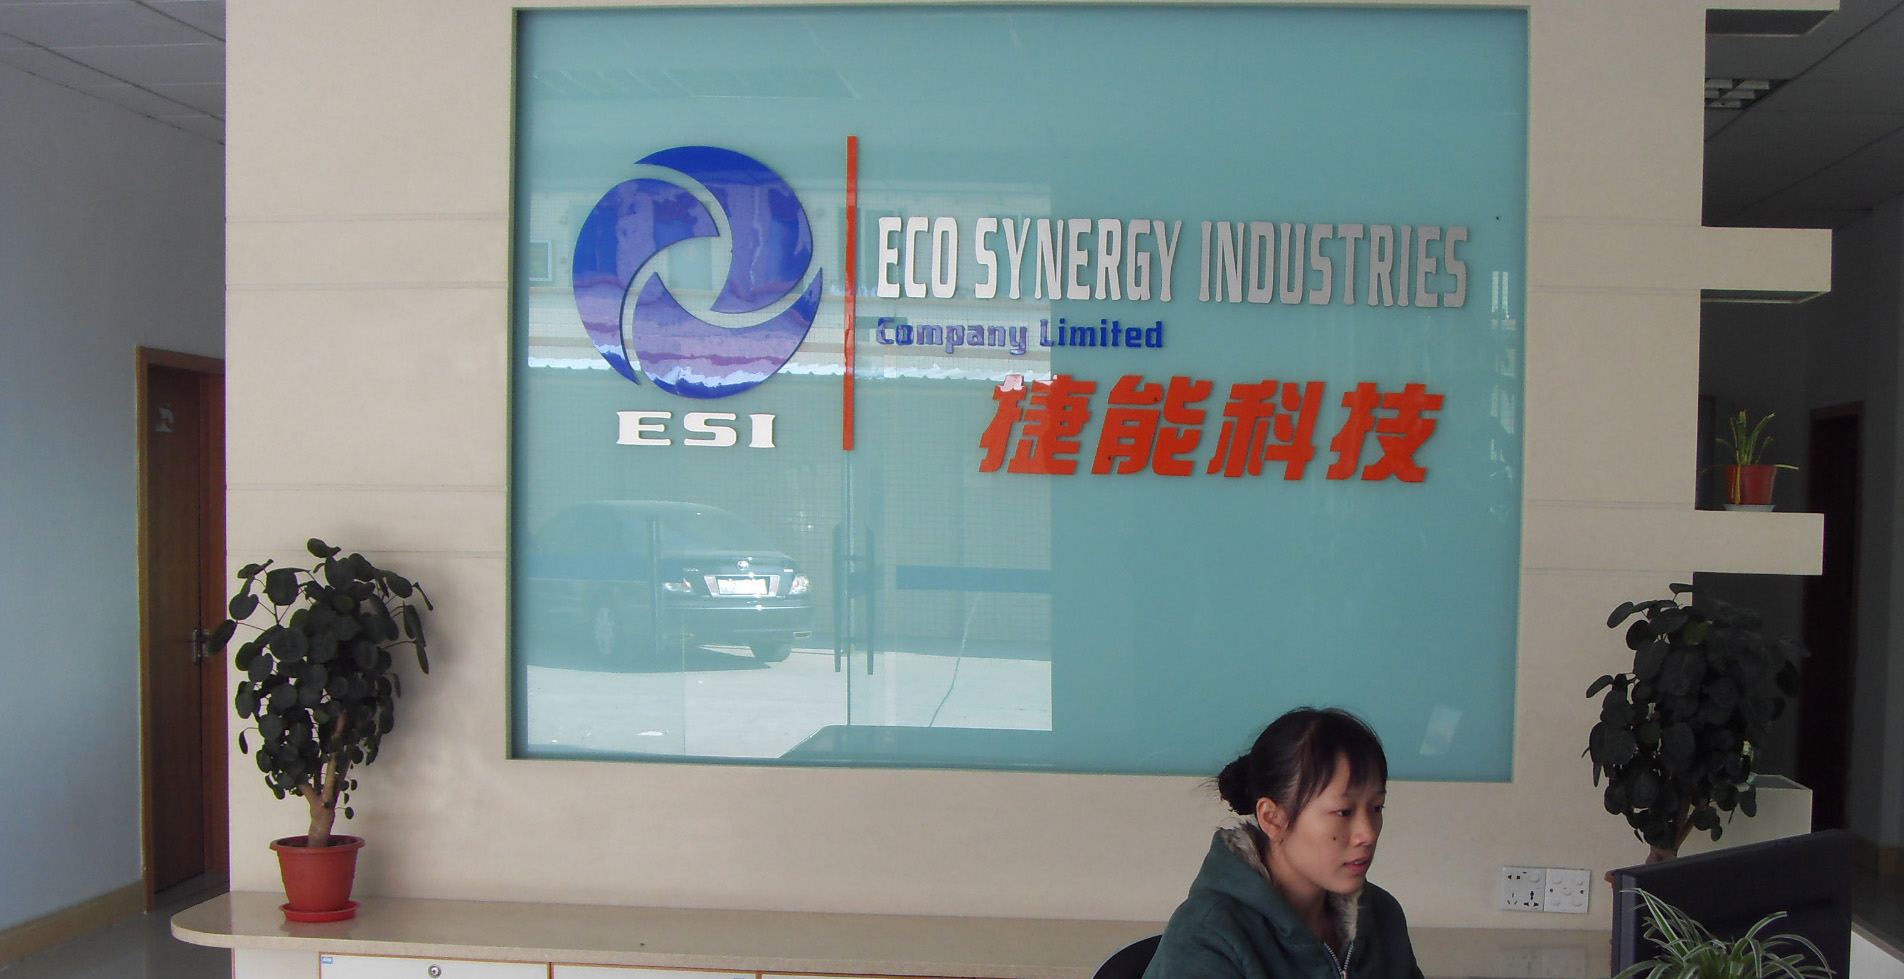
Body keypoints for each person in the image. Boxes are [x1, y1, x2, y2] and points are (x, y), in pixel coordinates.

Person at [1144, 708, 1424, 979]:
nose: (1368, 834)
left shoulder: (1382, 916)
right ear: (1273, 819)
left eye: (1376, 808)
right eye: (1344, 812)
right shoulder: (1207, 935)